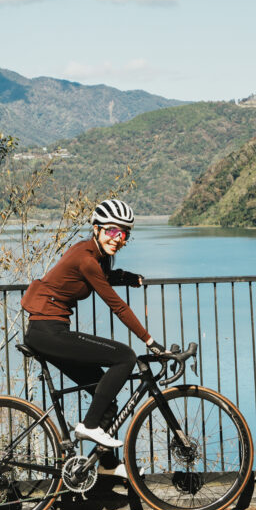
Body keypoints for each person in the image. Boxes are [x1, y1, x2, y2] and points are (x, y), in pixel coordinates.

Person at [21, 198, 167, 478]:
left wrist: (126, 276)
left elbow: (103, 276)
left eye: (124, 233)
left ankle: (107, 466)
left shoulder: (90, 254)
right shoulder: (86, 259)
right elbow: (117, 306)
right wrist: (149, 341)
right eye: (112, 230)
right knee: (125, 356)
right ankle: (88, 426)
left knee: (106, 398)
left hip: (48, 332)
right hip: (49, 332)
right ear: (98, 229)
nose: (118, 238)